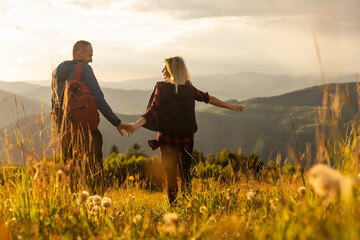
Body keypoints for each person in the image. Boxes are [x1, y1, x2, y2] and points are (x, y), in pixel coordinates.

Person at [128, 56, 243, 204]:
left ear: (172, 71)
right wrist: (229, 106)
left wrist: (137, 125)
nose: (162, 71)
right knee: (186, 176)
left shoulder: (162, 88)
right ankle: (188, 207)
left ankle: (174, 208)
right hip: (187, 139)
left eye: (165, 68)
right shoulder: (189, 89)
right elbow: (208, 98)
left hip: (168, 139)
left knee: (171, 177)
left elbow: (153, 110)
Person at [51, 40, 129, 193]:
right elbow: (98, 99)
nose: (91, 59)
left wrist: (61, 129)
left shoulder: (56, 72)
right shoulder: (84, 69)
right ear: (80, 53)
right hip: (87, 132)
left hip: (66, 132)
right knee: (95, 173)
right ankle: (97, 207)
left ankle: (73, 209)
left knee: (71, 175)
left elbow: (54, 104)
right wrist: (116, 122)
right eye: (90, 55)